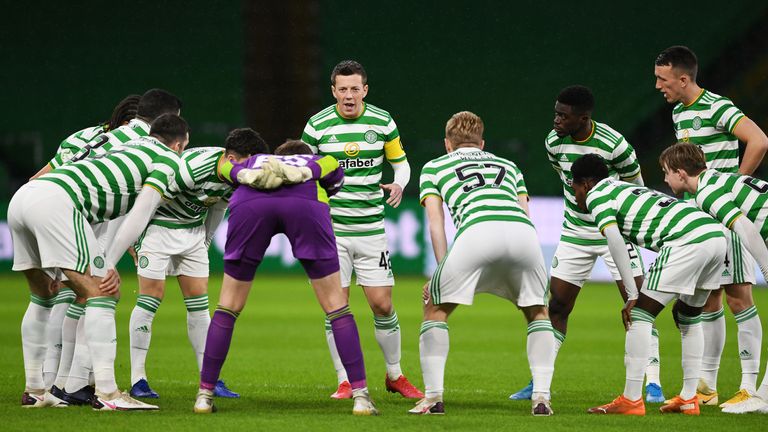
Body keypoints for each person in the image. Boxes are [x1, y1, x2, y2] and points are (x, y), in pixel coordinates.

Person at [10, 111, 189, 410]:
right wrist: (108, 262)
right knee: (103, 292)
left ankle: (36, 390)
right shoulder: (169, 159)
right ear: (180, 145)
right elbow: (140, 214)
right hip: (59, 201)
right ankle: (108, 394)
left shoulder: (125, 144)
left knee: (42, 295)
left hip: (24, 198)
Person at [191, 144, 378, 416]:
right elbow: (333, 169)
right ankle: (361, 397)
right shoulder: (315, 159)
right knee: (337, 305)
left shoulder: (254, 160)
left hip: (250, 201)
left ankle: (204, 396)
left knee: (228, 305)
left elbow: (223, 167)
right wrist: (303, 172)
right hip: (306, 202)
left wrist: (243, 175)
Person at [509, 85, 663, 403]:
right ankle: (540, 380)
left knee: (640, 307)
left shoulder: (616, 145)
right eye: (556, 113)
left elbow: (637, 189)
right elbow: (569, 181)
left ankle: (653, 382)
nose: (557, 120)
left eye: (564, 116)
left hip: (616, 235)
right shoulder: (554, 143)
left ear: (584, 117)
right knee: (557, 307)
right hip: (575, 235)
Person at [413, 111, 556, 416]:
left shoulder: (434, 166)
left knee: (435, 309)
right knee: (537, 310)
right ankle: (542, 398)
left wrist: (440, 270)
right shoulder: (509, 165)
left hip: (477, 232)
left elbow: (436, 224)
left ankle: (433, 398)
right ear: (482, 143)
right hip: (524, 235)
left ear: (447, 144)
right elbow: (525, 212)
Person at [570, 154, 727, 416]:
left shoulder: (597, 195)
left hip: (685, 239)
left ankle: (631, 399)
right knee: (689, 318)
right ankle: (689, 398)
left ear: (585, 184)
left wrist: (632, 294)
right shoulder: (622, 187)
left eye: (574, 188)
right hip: (714, 235)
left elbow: (615, 241)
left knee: (640, 315)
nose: (575, 196)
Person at [654, 45, 768, 407]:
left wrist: (733, 184)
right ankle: (707, 385)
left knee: (739, 297)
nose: (658, 86)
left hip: (726, 212)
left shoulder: (717, 106)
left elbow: (760, 140)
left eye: (663, 78)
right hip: (700, 219)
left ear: (683, 79)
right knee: (708, 299)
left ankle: (749, 385)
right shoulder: (678, 114)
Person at [301, 60, 422, 399]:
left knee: (382, 304)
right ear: (333, 91)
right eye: (343, 89)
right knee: (336, 306)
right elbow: (303, 169)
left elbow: (400, 162)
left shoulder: (382, 121)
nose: (349, 95)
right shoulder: (317, 126)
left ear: (365, 90)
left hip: (371, 230)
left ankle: (395, 375)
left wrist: (399, 184)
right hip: (331, 232)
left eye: (355, 89)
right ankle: (345, 380)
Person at [126, 129, 265, 399]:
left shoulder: (234, 179)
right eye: (249, 163)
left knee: (200, 305)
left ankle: (209, 380)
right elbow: (150, 200)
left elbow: (217, 209)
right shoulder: (191, 169)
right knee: (150, 298)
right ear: (233, 158)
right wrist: (134, 235)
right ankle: (137, 379)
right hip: (158, 229)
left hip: (192, 233)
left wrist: (204, 242)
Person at [30, 94, 140, 406]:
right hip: (82, 220)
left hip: (51, 211)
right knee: (98, 294)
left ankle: (47, 385)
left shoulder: (80, 138)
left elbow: (37, 179)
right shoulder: (125, 144)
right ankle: (71, 384)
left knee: (64, 297)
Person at [659, 142, 768, 414]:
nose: (664, 178)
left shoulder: (707, 192)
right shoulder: (716, 181)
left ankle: (753, 393)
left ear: (681, 173)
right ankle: (759, 397)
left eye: (666, 172)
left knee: (740, 302)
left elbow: (744, 227)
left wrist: (766, 268)